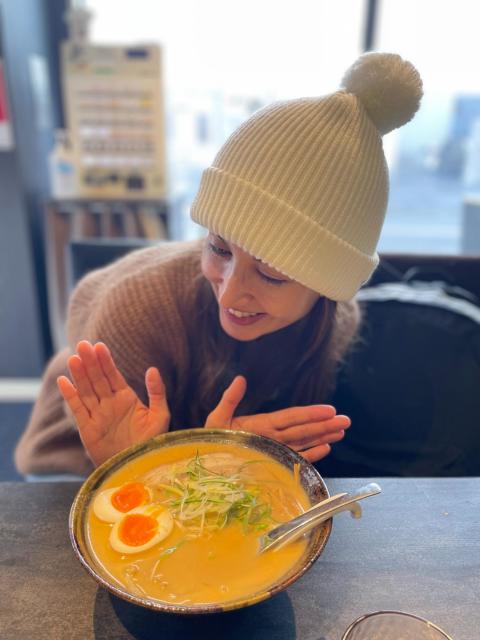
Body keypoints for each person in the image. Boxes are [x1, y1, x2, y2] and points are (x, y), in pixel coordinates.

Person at [14, 52, 423, 477]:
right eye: (219, 248)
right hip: (75, 470)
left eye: (271, 274)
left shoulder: (334, 323)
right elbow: (123, 473)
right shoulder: (134, 312)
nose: (229, 292)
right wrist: (200, 455)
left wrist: (214, 454)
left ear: (326, 286)